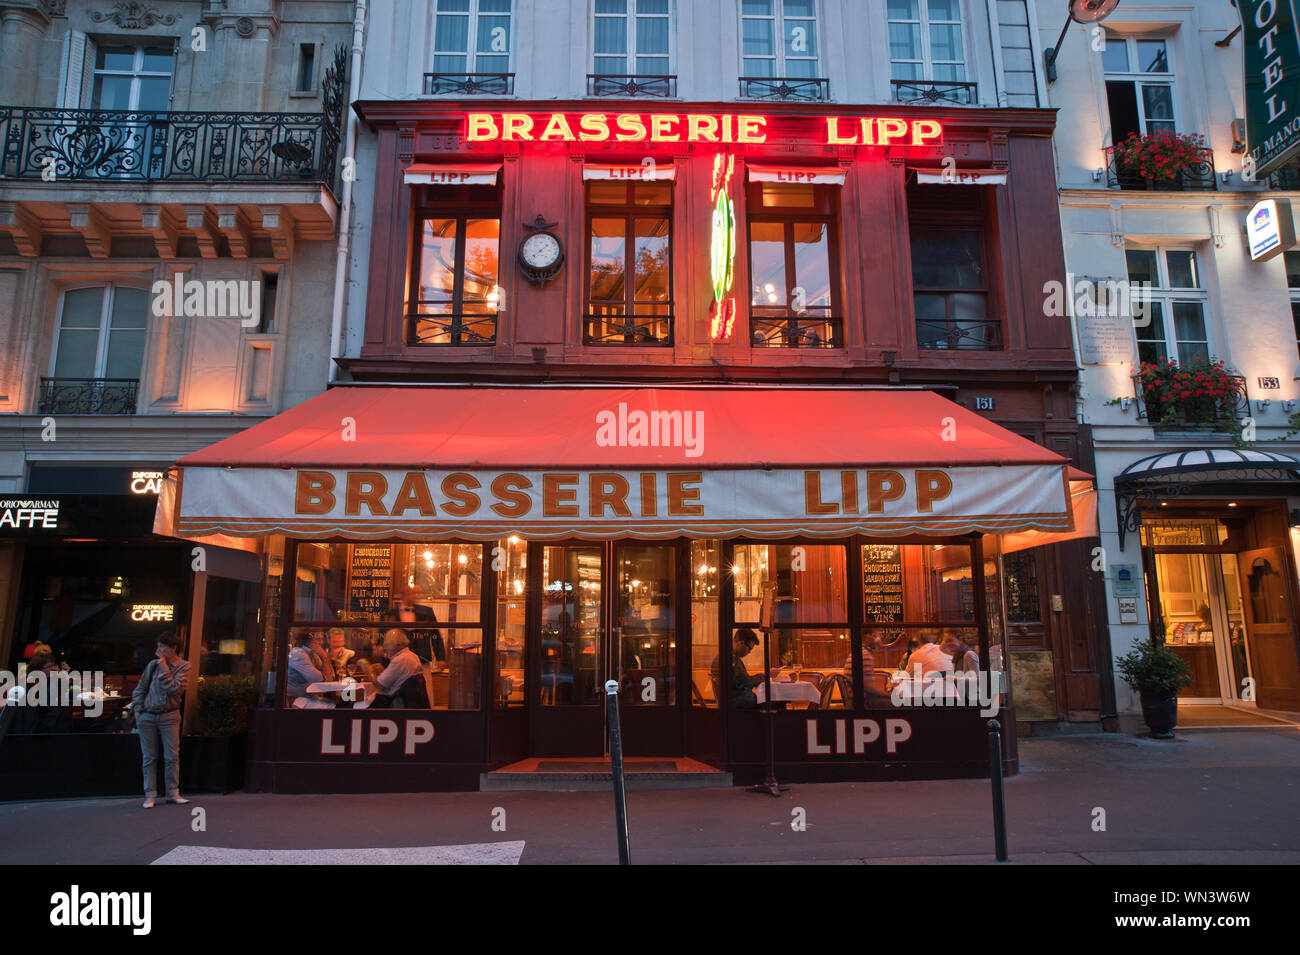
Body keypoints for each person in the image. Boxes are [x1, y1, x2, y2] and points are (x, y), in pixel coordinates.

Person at [130, 631, 191, 809]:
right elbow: (141, 688)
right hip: (148, 714)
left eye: (162, 647)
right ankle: (150, 794)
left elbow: (176, 689)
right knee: (149, 757)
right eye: (158, 647)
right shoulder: (152, 665)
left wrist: (164, 668)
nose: (159, 651)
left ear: (173, 648)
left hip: (169, 715)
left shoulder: (184, 666)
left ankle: (172, 793)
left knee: (171, 756)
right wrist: (138, 709)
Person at [370, 629, 429, 708]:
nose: (386, 651)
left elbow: (380, 686)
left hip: (392, 704)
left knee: (356, 705)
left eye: (387, 646)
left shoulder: (400, 660)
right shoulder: (413, 656)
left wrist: (367, 668)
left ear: (393, 646)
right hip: (410, 703)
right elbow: (398, 680)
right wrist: (382, 671)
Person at [710, 628, 766, 709]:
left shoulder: (725, 656)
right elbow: (747, 682)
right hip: (740, 705)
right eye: (749, 648)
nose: (749, 652)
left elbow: (743, 680)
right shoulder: (731, 659)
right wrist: (765, 676)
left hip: (734, 702)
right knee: (774, 704)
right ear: (741, 643)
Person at [286, 630, 326, 701]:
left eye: (322, 639)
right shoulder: (298, 653)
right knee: (335, 705)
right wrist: (325, 657)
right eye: (318, 639)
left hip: (306, 697)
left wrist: (325, 658)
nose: (321, 642)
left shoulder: (313, 654)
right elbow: (318, 679)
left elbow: (328, 678)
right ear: (309, 641)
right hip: (294, 700)